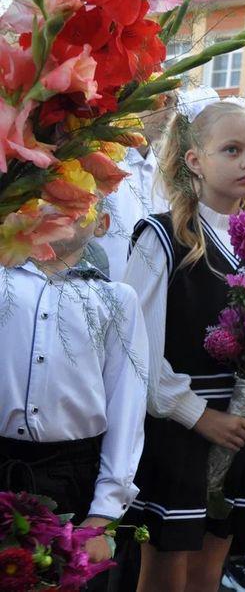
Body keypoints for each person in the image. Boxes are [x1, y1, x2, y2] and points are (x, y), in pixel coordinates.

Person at [124, 98, 245, 592]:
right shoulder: (161, 237)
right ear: (194, 161)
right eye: (232, 149)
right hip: (180, 432)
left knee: (210, 573)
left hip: (239, 428)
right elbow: (136, 350)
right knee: (166, 574)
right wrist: (198, 415)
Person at [0, 209, 149, 582]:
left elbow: (127, 407)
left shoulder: (116, 299)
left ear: (103, 223)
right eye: (55, 189)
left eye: (83, 198)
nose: (64, 203)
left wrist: (104, 513)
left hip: (72, 479)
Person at [94, 95, 174, 279]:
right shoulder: (101, 159)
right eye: (162, 101)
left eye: (174, 103)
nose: (170, 111)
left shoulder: (167, 172)